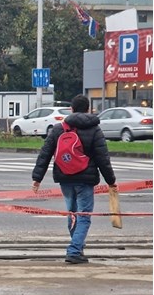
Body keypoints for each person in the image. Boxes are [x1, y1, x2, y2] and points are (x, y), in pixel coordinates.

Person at [31, 94, 117, 264]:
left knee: (72, 214)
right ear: (88, 109)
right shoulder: (95, 130)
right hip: (86, 179)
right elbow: (102, 158)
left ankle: (77, 246)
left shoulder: (59, 128)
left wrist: (37, 178)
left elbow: (45, 154)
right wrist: (111, 181)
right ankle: (75, 250)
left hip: (65, 177)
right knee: (84, 215)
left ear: (71, 109)